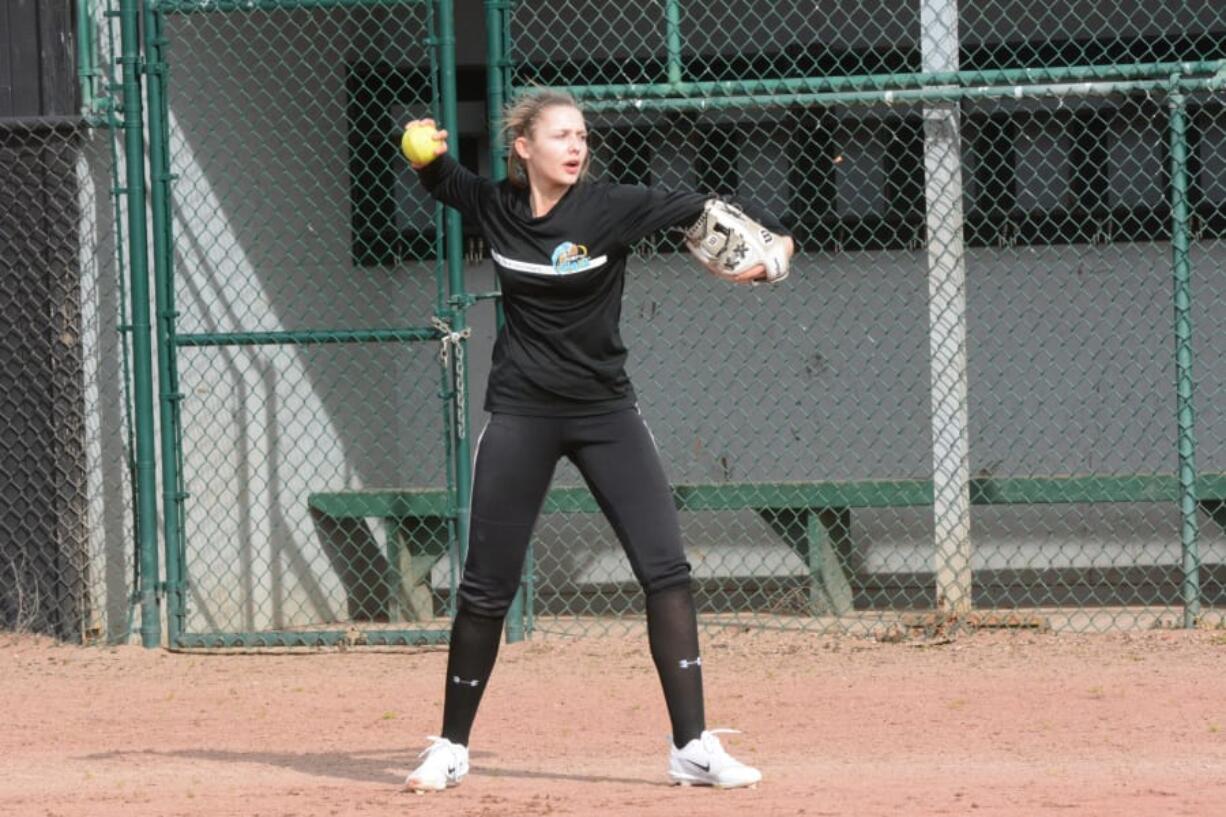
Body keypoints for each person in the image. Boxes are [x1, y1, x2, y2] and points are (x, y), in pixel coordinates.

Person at [400, 90, 794, 792]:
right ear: (524, 147)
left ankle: (692, 746)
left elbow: (703, 212)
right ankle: (451, 745)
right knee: (486, 587)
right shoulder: (496, 206)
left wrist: (770, 252)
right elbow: (442, 178)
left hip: (605, 412)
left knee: (666, 570)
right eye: (559, 135)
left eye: (581, 135)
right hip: (521, 413)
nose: (575, 146)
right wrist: (419, 145)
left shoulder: (611, 206)